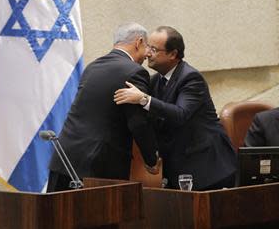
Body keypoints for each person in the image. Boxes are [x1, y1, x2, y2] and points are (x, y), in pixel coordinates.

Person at [114, 26, 237, 190]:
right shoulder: (154, 81)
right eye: (148, 47)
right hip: (178, 167)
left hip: (208, 168)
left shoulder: (191, 78)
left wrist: (143, 99)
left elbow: (180, 114)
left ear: (173, 54)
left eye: (154, 49)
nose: (148, 53)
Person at [47, 23, 160, 192]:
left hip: (65, 159)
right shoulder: (134, 72)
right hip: (98, 168)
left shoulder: (93, 67)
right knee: (97, 218)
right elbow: (138, 122)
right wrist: (151, 159)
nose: (147, 55)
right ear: (139, 42)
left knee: (56, 216)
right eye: (147, 47)